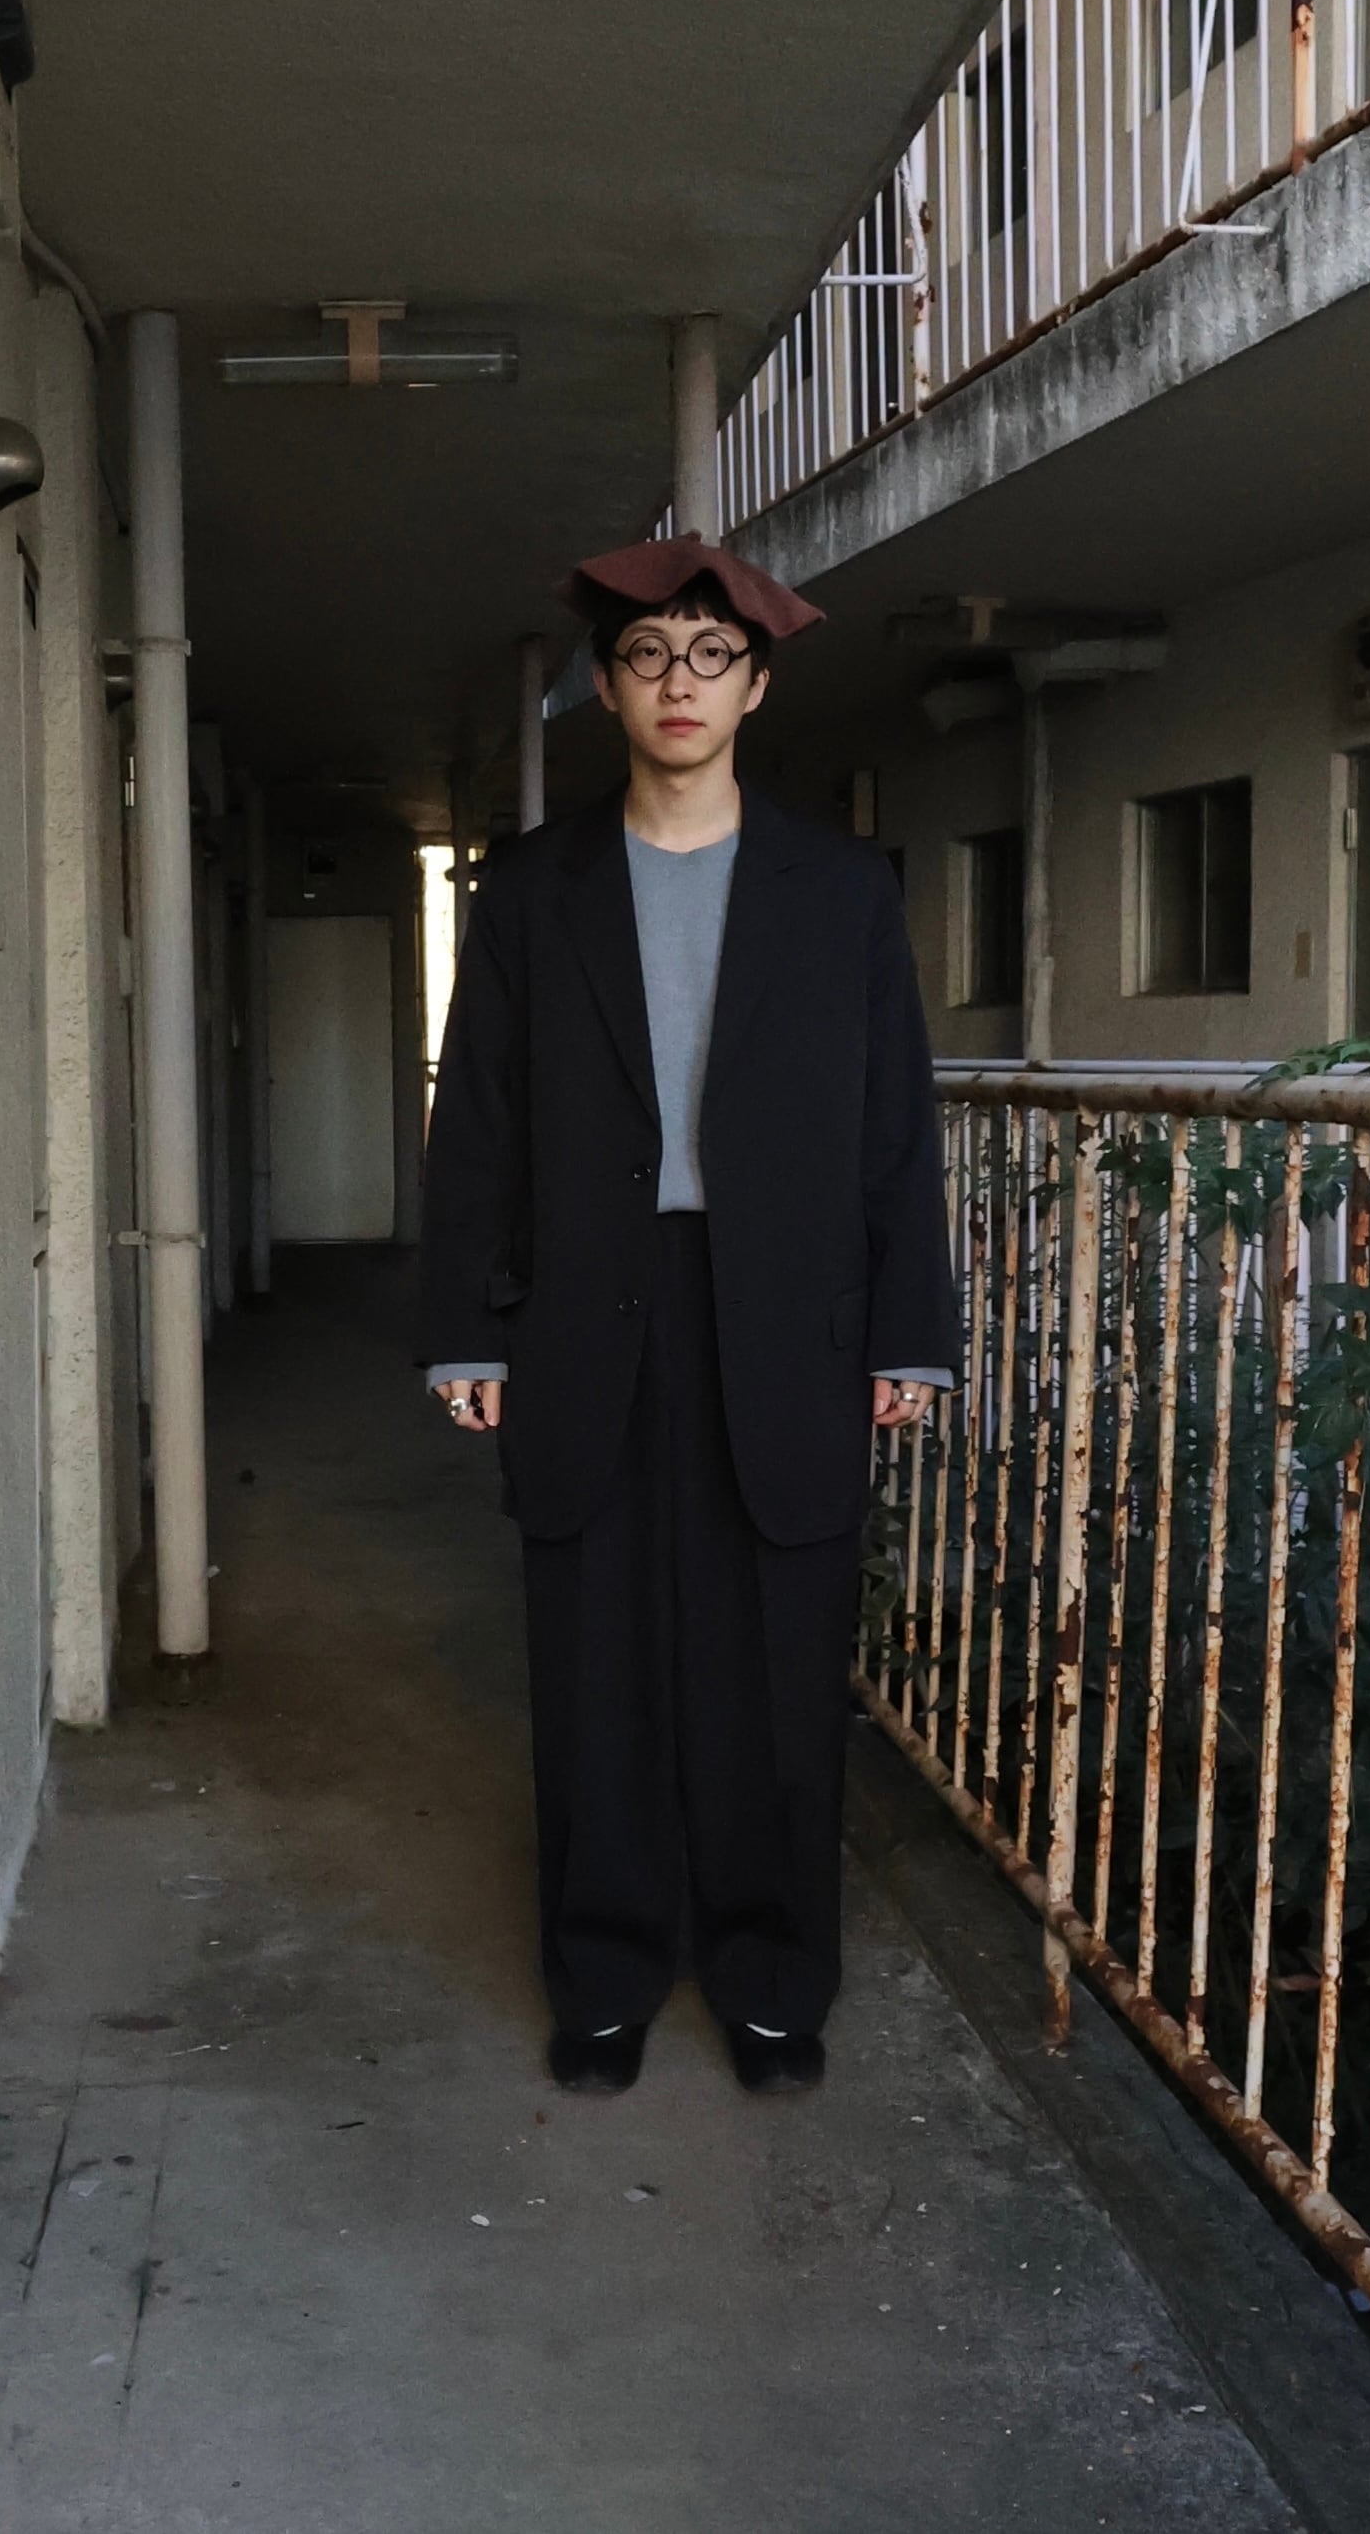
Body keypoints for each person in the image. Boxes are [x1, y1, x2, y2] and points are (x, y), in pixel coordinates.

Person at [416, 534, 959, 2098]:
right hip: (587, 1312)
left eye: (711, 656)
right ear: (606, 685)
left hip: (782, 1315)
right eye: (648, 656)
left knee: (775, 1666)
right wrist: (466, 1325)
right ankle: (603, 1975)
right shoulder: (532, 891)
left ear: (755, 686)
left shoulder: (839, 890)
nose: (678, 683)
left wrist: (907, 1332)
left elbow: (894, 1125)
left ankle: (771, 1977)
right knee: (596, 1663)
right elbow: (479, 1120)